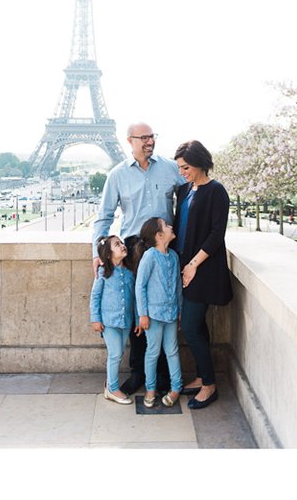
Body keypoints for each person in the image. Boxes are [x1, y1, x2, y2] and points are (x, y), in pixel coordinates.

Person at [91, 122, 184, 395]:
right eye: (143, 138)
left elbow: (191, 194)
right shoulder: (117, 175)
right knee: (138, 311)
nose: (149, 141)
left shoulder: (170, 168)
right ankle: (139, 371)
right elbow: (105, 217)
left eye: (151, 136)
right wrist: (98, 252)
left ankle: (163, 374)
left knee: (163, 306)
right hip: (132, 249)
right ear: (129, 141)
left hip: (163, 249)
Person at [172, 140, 233, 409]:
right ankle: (200, 375)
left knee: (190, 326)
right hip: (183, 265)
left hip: (203, 270)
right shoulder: (184, 190)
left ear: (199, 163)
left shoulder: (216, 191)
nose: (182, 172)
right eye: (179, 167)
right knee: (198, 326)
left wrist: (194, 264)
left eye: (185, 167)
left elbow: (216, 234)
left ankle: (209, 385)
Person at [133, 217, 184, 408]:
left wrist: (179, 311)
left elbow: (178, 286)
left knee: (172, 351)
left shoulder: (173, 256)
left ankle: (176, 387)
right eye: (167, 226)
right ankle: (151, 388)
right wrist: (143, 314)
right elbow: (141, 286)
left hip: (171, 314)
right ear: (159, 235)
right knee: (153, 352)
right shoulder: (150, 256)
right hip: (153, 316)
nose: (171, 227)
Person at [89, 234, 136, 405]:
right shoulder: (103, 273)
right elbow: (95, 297)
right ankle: (112, 388)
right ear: (109, 254)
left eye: (122, 243)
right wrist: (95, 319)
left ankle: (110, 383)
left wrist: (137, 320)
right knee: (115, 353)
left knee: (119, 352)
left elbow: (135, 299)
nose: (122, 246)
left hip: (125, 321)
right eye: (117, 245)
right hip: (108, 322)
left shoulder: (130, 273)